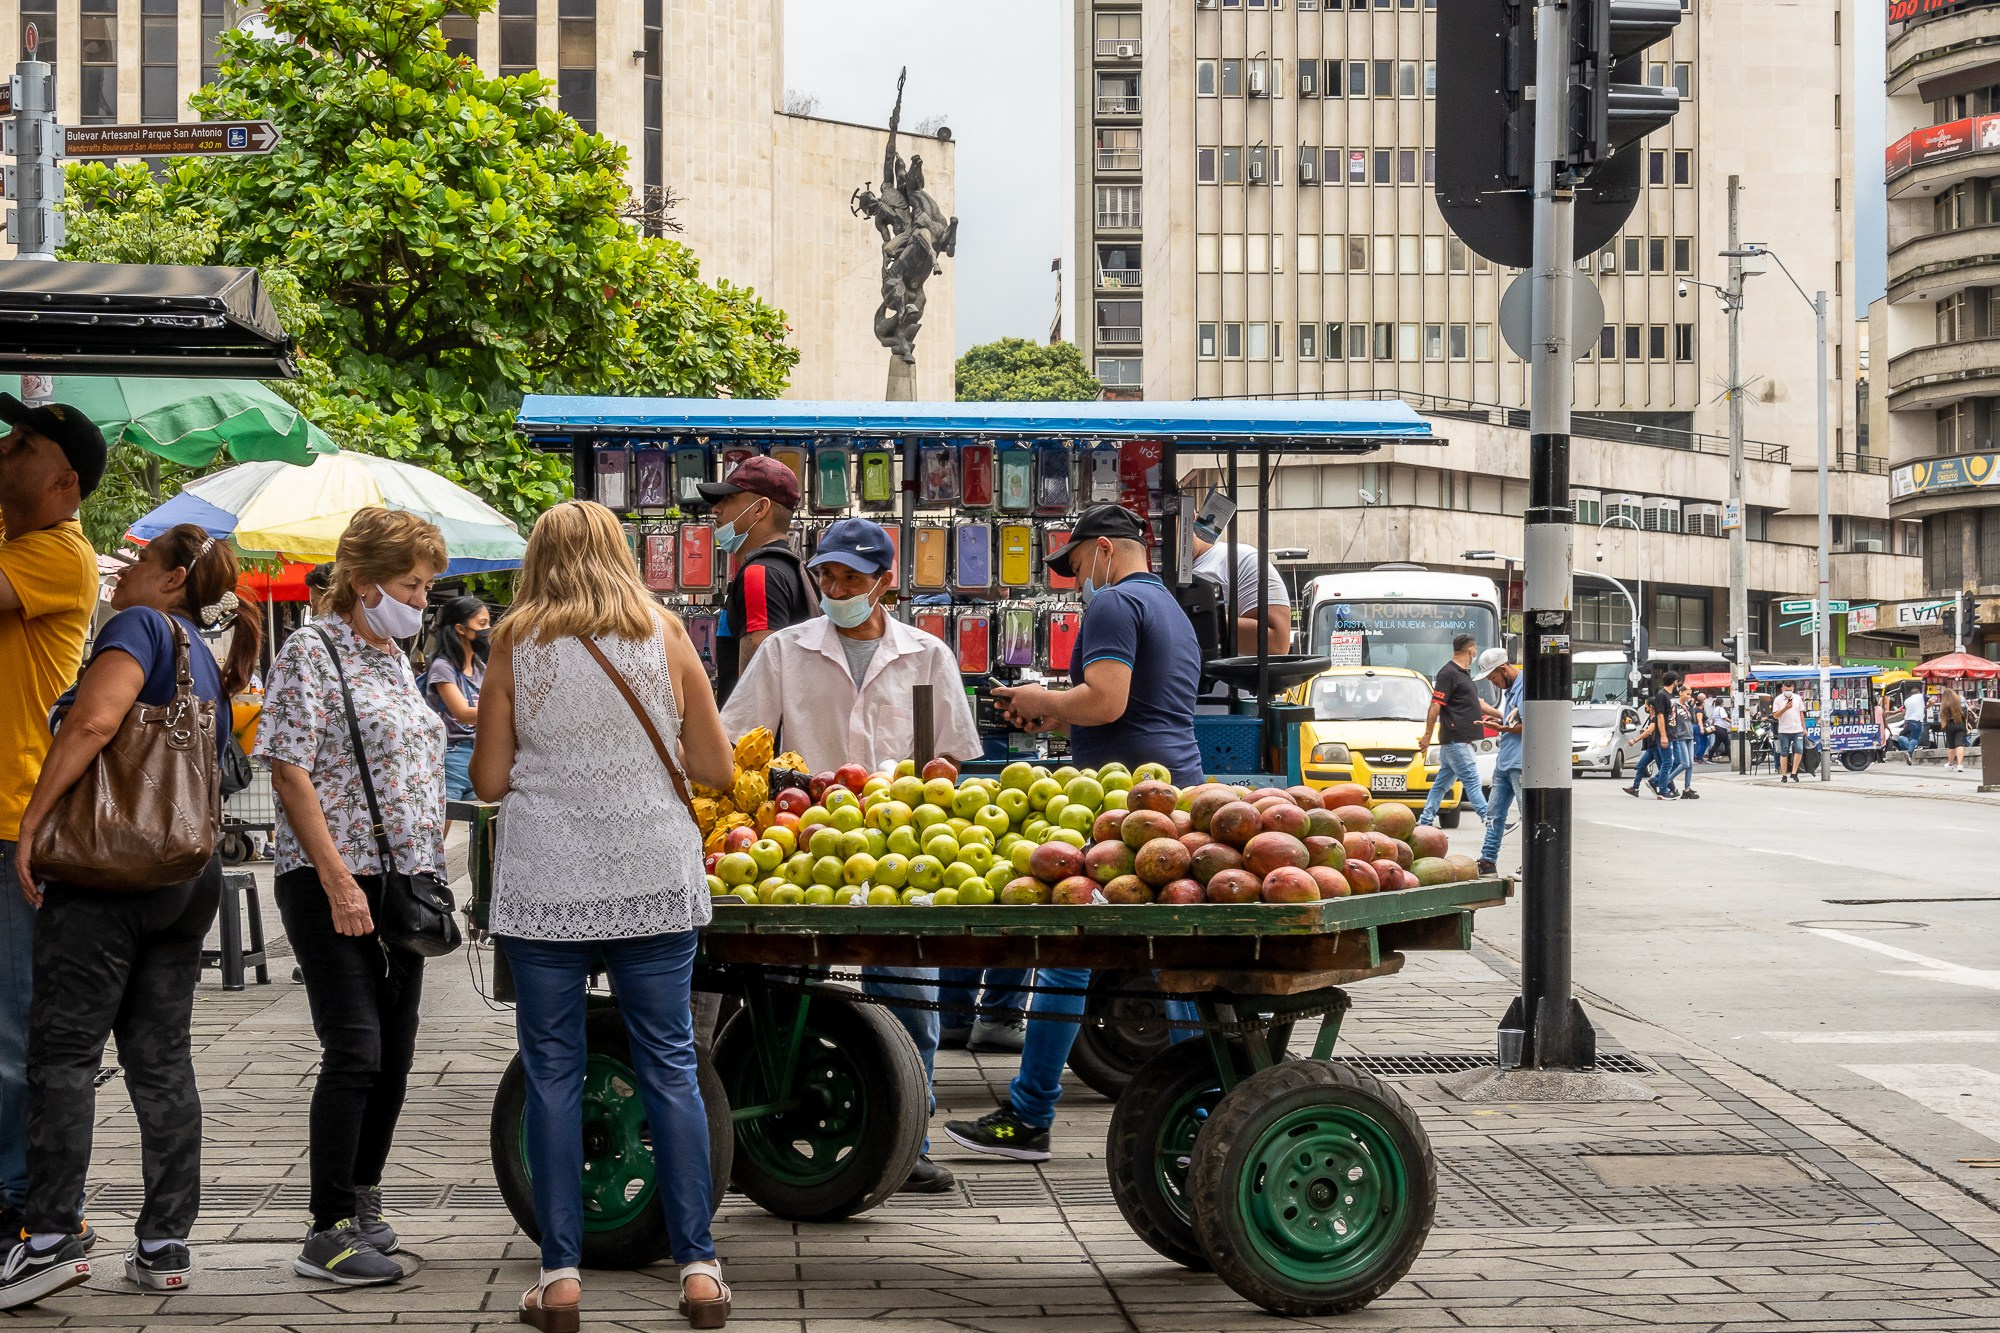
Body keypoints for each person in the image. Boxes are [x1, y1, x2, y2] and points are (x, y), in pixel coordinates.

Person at [473, 501, 734, 1331]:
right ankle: (697, 1269)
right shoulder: (664, 631)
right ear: (622, 552)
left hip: (547, 880)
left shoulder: (514, 641)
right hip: (652, 874)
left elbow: (487, 779)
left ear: (538, 557)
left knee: (553, 1072)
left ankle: (559, 1278)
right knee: (671, 1065)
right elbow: (716, 767)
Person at [0, 528, 255, 1308]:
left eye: (140, 561)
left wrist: (36, 824)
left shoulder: (139, 626)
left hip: (109, 871)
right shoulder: (201, 651)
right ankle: (164, 1243)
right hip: (184, 873)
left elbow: (93, 722)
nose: (125, 570)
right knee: (161, 1058)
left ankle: (47, 1238)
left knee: (65, 1052)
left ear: (173, 578)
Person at [720, 517, 980, 1195]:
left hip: (902, 846)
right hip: (804, 844)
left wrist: (931, 784)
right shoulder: (785, 651)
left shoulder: (926, 655)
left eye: (852, 579)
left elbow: (949, 755)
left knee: (909, 995)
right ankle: (775, 1129)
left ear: (885, 583)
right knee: (785, 993)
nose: (836, 588)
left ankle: (910, 1137)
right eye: (827, 576)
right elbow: (735, 733)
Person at [948, 504, 1204, 1164]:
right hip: (1168, 788)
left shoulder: (1115, 604)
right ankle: (1199, 1108)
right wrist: (1053, 718)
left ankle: (1036, 1113)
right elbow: (1130, 712)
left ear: (1105, 550)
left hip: (1127, 803)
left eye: (1076, 563)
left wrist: (1047, 699)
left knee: (1070, 949)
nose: (1075, 580)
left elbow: (1107, 700)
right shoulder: (1171, 610)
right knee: (1160, 962)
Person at [255, 508, 448, 1287]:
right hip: (331, 877)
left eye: (428, 584)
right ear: (364, 583)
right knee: (356, 1045)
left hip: (403, 882)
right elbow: (289, 766)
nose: (421, 598)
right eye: (410, 583)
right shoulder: (313, 649)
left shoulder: (396, 656)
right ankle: (326, 1226)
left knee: (395, 1053)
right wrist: (336, 877)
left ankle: (364, 1195)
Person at [0, 395, 104, 1247]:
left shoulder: (58, 553)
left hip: (13, 823)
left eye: (22, 444)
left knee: (13, 1024)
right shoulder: (21, 544)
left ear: (63, 482)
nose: (4, 449)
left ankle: (22, 1203)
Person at [700, 456, 810, 705]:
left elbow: (758, 683)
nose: (715, 509)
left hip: (756, 741)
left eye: (728, 499)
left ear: (760, 509)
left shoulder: (759, 574)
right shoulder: (793, 569)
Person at [1415, 634, 1495, 829]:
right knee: (1473, 781)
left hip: (1459, 741)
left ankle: (1425, 822)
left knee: (1441, 784)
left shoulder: (1464, 674)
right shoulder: (1448, 673)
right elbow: (1435, 705)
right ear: (1470, 650)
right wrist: (1427, 734)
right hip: (1456, 740)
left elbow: (1477, 703)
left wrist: (1502, 716)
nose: (1476, 653)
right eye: (1475, 650)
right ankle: (1492, 822)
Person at [1190, 509, 1291, 657]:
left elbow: (1276, 644)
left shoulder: (1242, 560)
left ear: (1189, 515)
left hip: (1224, 678)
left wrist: (1194, 617)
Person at [424, 595, 489, 803]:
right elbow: (462, 713)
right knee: (442, 827)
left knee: (482, 829)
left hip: (480, 755)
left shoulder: (480, 666)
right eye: (482, 623)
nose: (488, 629)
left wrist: (485, 709)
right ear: (461, 628)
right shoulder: (443, 667)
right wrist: (493, 710)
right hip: (453, 756)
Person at [1472, 649, 1520, 877]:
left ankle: (1532, 861)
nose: (1494, 683)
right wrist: (1499, 719)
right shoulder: (1511, 689)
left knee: (1527, 814)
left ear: (1503, 669)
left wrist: (1504, 728)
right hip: (1505, 760)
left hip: (1521, 762)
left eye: (1493, 678)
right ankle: (1488, 860)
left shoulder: (1525, 687)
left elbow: (1530, 723)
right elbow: (1512, 718)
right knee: (1494, 813)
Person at [1625, 674, 1677, 799]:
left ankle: (1668, 787)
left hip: (1655, 745)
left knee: (1664, 765)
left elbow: (1650, 731)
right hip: (1652, 746)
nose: (1646, 707)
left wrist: (1635, 739)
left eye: (1647, 705)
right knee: (1645, 766)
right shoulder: (1653, 716)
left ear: (1652, 707)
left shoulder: (1655, 717)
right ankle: (1636, 788)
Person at [1771, 679, 1806, 781]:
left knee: (1799, 749)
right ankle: (1784, 774)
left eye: (1790, 690)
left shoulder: (1797, 698)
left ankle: (1794, 772)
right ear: (1782, 689)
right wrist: (1785, 708)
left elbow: (1801, 713)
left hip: (1797, 729)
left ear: (1793, 689)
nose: (1788, 692)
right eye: (1786, 690)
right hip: (1784, 730)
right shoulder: (1778, 700)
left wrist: (1804, 728)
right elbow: (1775, 715)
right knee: (1784, 752)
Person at [1671, 683, 1701, 800]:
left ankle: (1687, 789)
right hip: (1680, 736)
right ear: (1680, 693)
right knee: (1685, 763)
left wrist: (1692, 707)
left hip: (1689, 735)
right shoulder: (1675, 706)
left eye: (1690, 694)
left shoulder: (1687, 706)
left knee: (1691, 764)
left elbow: (1692, 720)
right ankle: (1665, 781)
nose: (1689, 696)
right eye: (1687, 694)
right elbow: (1672, 720)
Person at [1894, 686, 1927, 762]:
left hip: (1909, 721)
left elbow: (1904, 711)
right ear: (1918, 693)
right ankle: (1910, 752)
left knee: (1914, 737)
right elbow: (1932, 701)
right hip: (1917, 720)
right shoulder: (1921, 696)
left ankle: (1912, 748)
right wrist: (1926, 707)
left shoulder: (1907, 700)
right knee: (1915, 737)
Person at [1941, 687, 1969, 772]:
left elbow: (1942, 716)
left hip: (1949, 724)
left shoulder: (1944, 704)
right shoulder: (1959, 700)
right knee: (1959, 744)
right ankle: (1960, 765)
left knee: (1951, 746)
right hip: (1960, 723)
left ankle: (1951, 764)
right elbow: (1965, 712)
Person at [1704, 692, 1732, 764]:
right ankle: (1709, 758)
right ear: (1722, 702)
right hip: (1721, 728)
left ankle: (1731, 758)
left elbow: (1713, 719)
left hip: (1718, 727)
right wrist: (1732, 722)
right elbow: (1724, 717)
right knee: (1717, 744)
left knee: (1727, 743)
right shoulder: (1720, 709)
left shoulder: (1715, 709)